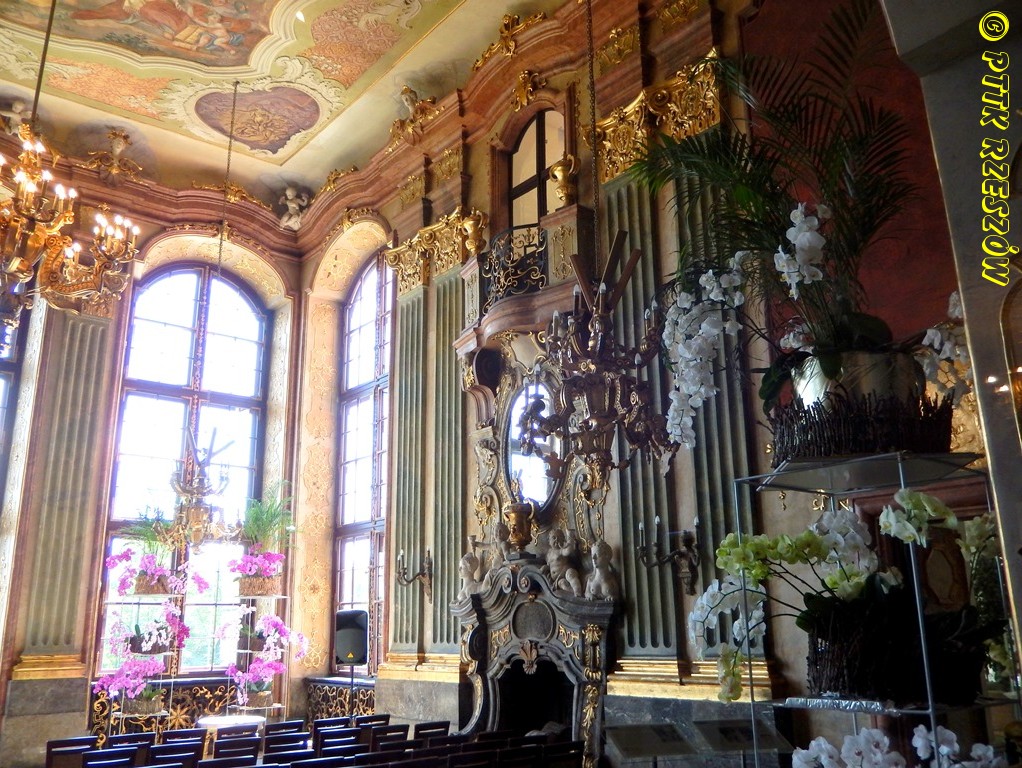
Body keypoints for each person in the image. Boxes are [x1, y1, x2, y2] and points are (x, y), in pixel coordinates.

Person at [545, 527, 582, 596]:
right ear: (549, 541)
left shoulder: (561, 551)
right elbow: (549, 565)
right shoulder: (549, 554)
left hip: (566, 573)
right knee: (563, 584)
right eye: (554, 538)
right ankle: (573, 592)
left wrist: (570, 538)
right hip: (558, 580)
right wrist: (544, 568)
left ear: (563, 540)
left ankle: (577, 590)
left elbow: (568, 551)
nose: (556, 539)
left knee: (571, 574)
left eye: (559, 537)